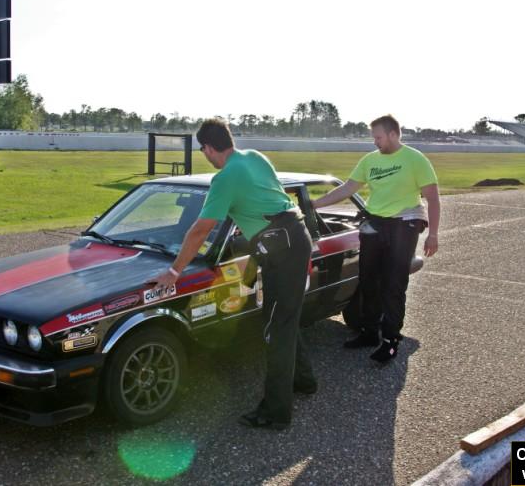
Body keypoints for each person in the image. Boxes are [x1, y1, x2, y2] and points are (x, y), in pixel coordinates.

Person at [150, 119, 316, 430]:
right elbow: (269, 198)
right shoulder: (254, 157)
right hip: (295, 235)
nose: (205, 155)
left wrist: (175, 270)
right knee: (285, 317)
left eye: (203, 150)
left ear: (209, 148)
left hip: (281, 246)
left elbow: (201, 229)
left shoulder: (224, 178)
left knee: (276, 328)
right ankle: (304, 380)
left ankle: (275, 412)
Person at [312, 114, 440, 363]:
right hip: (375, 224)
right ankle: (370, 332)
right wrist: (315, 203)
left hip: (404, 223)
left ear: (393, 134)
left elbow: (432, 198)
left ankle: (391, 341)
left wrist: (433, 234)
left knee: (394, 284)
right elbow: (348, 188)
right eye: (374, 137)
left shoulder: (415, 159)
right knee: (369, 281)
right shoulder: (370, 160)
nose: (375, 142)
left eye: (378, 137)